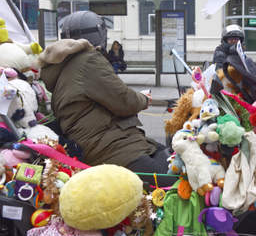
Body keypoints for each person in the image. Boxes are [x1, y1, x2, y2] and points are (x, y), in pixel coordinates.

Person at [40, 11, 169, 173]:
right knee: (170, 175)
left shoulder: (64, 66)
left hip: (95, 143)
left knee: (169, 155)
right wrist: (144, 98)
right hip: (111, 146)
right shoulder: (88, 61)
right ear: (100, 34)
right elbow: (125, 101)